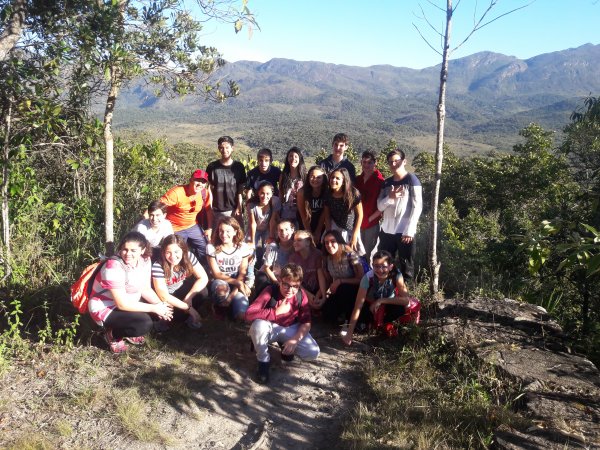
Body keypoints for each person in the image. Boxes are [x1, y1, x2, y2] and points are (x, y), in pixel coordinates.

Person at [88, 231, 173, 353]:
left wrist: (161, 306)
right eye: (125, 249)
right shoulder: (113, 266)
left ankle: (128, 329)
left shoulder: (145, 260)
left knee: (161, 311)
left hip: (129, 301)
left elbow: (145, 288)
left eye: (133, 250)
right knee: (144, 324)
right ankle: (112, 335)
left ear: (143, 250)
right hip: (105, 307)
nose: (128, 254)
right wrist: (154, 308)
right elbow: (121, 304)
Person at [246, 263, 320, 384]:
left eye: (295, 286)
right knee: (257, 326)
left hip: (289, 327)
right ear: (280, 280)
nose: (290, 290)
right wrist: (275, 313)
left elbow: (306, 323)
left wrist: (295, 340)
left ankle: (284, 344)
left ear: (300, 284)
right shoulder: (270, 291)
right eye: (286, 285)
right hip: (270, 326)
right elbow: (249, 314)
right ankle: (263, 361)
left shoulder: (301, 295)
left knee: (312, 352)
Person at [341, 250, 409, 346]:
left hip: (388, 304)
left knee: (399, 309)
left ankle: (385, 326)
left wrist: (381, 300)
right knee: (360, 325)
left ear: (390, 266)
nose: (380, 270)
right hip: (370, 305)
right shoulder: (368, 278)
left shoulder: (396, 275)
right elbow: (358, 306)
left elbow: (406, 300)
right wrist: (349, 334)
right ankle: (368, 325)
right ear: (372, 265)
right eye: (376, 266)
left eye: (384, 266)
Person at [377, 149, 423, 281]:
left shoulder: (412, 180)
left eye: (396, 161)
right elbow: (380, 206)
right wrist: (390, 198)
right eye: (390, 162)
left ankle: (405, 292)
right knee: (384, 264)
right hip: (387, 231)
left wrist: (410, 230)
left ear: (404, 161)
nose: (393, 164)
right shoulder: (387, 183)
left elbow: (417, 207)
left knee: (406, 267)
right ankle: (386, 289)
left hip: (405, 232)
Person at [151, 234, 209, 329]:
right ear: (163, 252)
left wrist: (189, 297)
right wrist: (188, 307)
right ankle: (163, 321)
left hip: (182, 290)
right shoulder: (158, 265)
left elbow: (203, 277)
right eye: (168, 252)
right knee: (170, 309)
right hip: (167, 297)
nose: (173, 256)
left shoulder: (189, 256)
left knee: (203, 291)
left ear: (183, 250)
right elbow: (163, 295)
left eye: (176, 251)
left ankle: (187, 317)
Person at [160, 169, 213, 265]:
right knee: (178, 251)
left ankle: (205, 269)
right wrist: (145, 219)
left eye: (203, 182)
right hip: (175, 228)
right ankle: (181, 270)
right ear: (191, 180)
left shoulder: (204, 193)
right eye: (197, 180)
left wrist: (209, 228)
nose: (200, 184)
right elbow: (159, 206)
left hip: (193, 226)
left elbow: (209, 210)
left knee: (205, 247)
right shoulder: (177, 192)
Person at [206, 216, 253, 320]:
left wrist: (232, 295)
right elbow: (216, 274)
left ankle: (230, 305)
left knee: (242, 316)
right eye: (221, 231)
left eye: (228, 231)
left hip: (237, 281)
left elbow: (242, 273)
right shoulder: (211, 247)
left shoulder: (243, 247)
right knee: (221, 289)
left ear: (235, 232)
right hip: (220, 281)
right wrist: (238, 283)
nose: (224, 234)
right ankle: (219, 306)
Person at [318, 230, 365, 323]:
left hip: (355, 289)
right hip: (338, 289)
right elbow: (329, 280)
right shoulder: (327, 258)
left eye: (333, 241)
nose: (329, 245)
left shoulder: (350, 255)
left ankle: (349, 317)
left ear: (339, 241)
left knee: (343, 288)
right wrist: (321, 295)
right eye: (326, 242)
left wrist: (340, 281)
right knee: (327, 314)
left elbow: (361, 279)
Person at [323, 168, 365, 255]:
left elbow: (360, 215)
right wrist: (329, 233)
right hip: (334, 227)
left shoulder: (353, 193)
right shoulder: (328, 194)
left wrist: (354, 236)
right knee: (335, 253)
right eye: (332, 177)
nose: (334, 180)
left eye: (337, 178)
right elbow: (327, 216)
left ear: (343, 181)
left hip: (350, 229)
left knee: (352, 255)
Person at [207, 136, 247, 225]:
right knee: (218, 233)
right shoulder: (212, 167)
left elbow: (240, 189)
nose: (224, 150)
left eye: (227, 147)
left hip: (234, 209)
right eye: (221, 147)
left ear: (232, 148)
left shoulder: (239, 167)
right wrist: (210, 207)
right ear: (218, 148)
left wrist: (239, 206)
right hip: (217, 210)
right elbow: (210, 189)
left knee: (237, 233)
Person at [253, 219, 296, 299]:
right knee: (262, 279)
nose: (283, 232)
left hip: (287, 277)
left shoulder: (296, 247)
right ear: (277, 232)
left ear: (292, 230)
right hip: (271, 275)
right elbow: (266, 268)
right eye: (281, 230)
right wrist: (276, 281)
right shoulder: (273, 246)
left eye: (286, 229)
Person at [355, 151, 385, 262]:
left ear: (375, 163)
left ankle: (368, 273)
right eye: (364, 162)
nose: (366, 165)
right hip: (357, 222)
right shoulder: (357, 180)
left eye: (370, 162)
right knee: (356, 254)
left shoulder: (380, 181)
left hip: (371, 224)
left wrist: (369, 219)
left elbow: (383, 205)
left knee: (368, 255)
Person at [289, 230, 326, 308]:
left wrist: (322, 296)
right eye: (294, 241)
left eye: (299, 240)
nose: (295, 243)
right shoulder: (293, 258)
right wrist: (308, 295)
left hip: (318, 289)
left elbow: (321, 276)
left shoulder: (317, 254)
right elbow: (295, 280)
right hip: (301, 289)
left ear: (308, 243)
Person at [247, 181, 281, 265]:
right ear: (258, 193)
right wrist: (252, 241)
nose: (265, 196)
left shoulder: (275, 201)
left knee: (270, 246)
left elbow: (273, 220)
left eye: (268, 194)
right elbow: (252, 223)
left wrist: (271, 236)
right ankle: (250, 268)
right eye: (262, 193)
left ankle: (266, 266)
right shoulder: (251, 204)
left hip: (268, 228)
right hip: (255, 228)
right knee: (249, 247)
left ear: (272, 194)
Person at [296, 165, 328, 245]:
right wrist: (309, 233)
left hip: (320, 223)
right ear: (308, 177)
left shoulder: (327, 192)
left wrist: (318, 231)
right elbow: (303, 216)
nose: (315, 179)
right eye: (312, 176)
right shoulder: (302, 192)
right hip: (305, 223)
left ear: (323, 179)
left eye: (319, 177)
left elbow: (324, 213)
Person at [277, 147, 307, 228]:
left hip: (300, 212)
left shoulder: (305, 176)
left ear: (300, 159)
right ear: (287, 159)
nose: (293, 159)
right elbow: (280, 193)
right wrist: (279, 211)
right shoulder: (283, 176)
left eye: (296, 156)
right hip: (286, 212)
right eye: (290, 156)